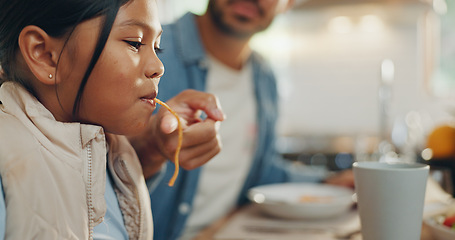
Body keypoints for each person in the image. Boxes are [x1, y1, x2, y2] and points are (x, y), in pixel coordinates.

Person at [0, 0, 224, 239]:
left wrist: (154, 145)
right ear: (44, 55)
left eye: (157, 48)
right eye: (135, 43)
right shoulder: (8, 168)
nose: (159, 67)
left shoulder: (114, 155)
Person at [149, 0, 299, 239]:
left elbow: (261, 173)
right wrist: (152, 142)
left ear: (288, 4)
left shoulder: (264, 77)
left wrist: (331, 181)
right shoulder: (149, 47)